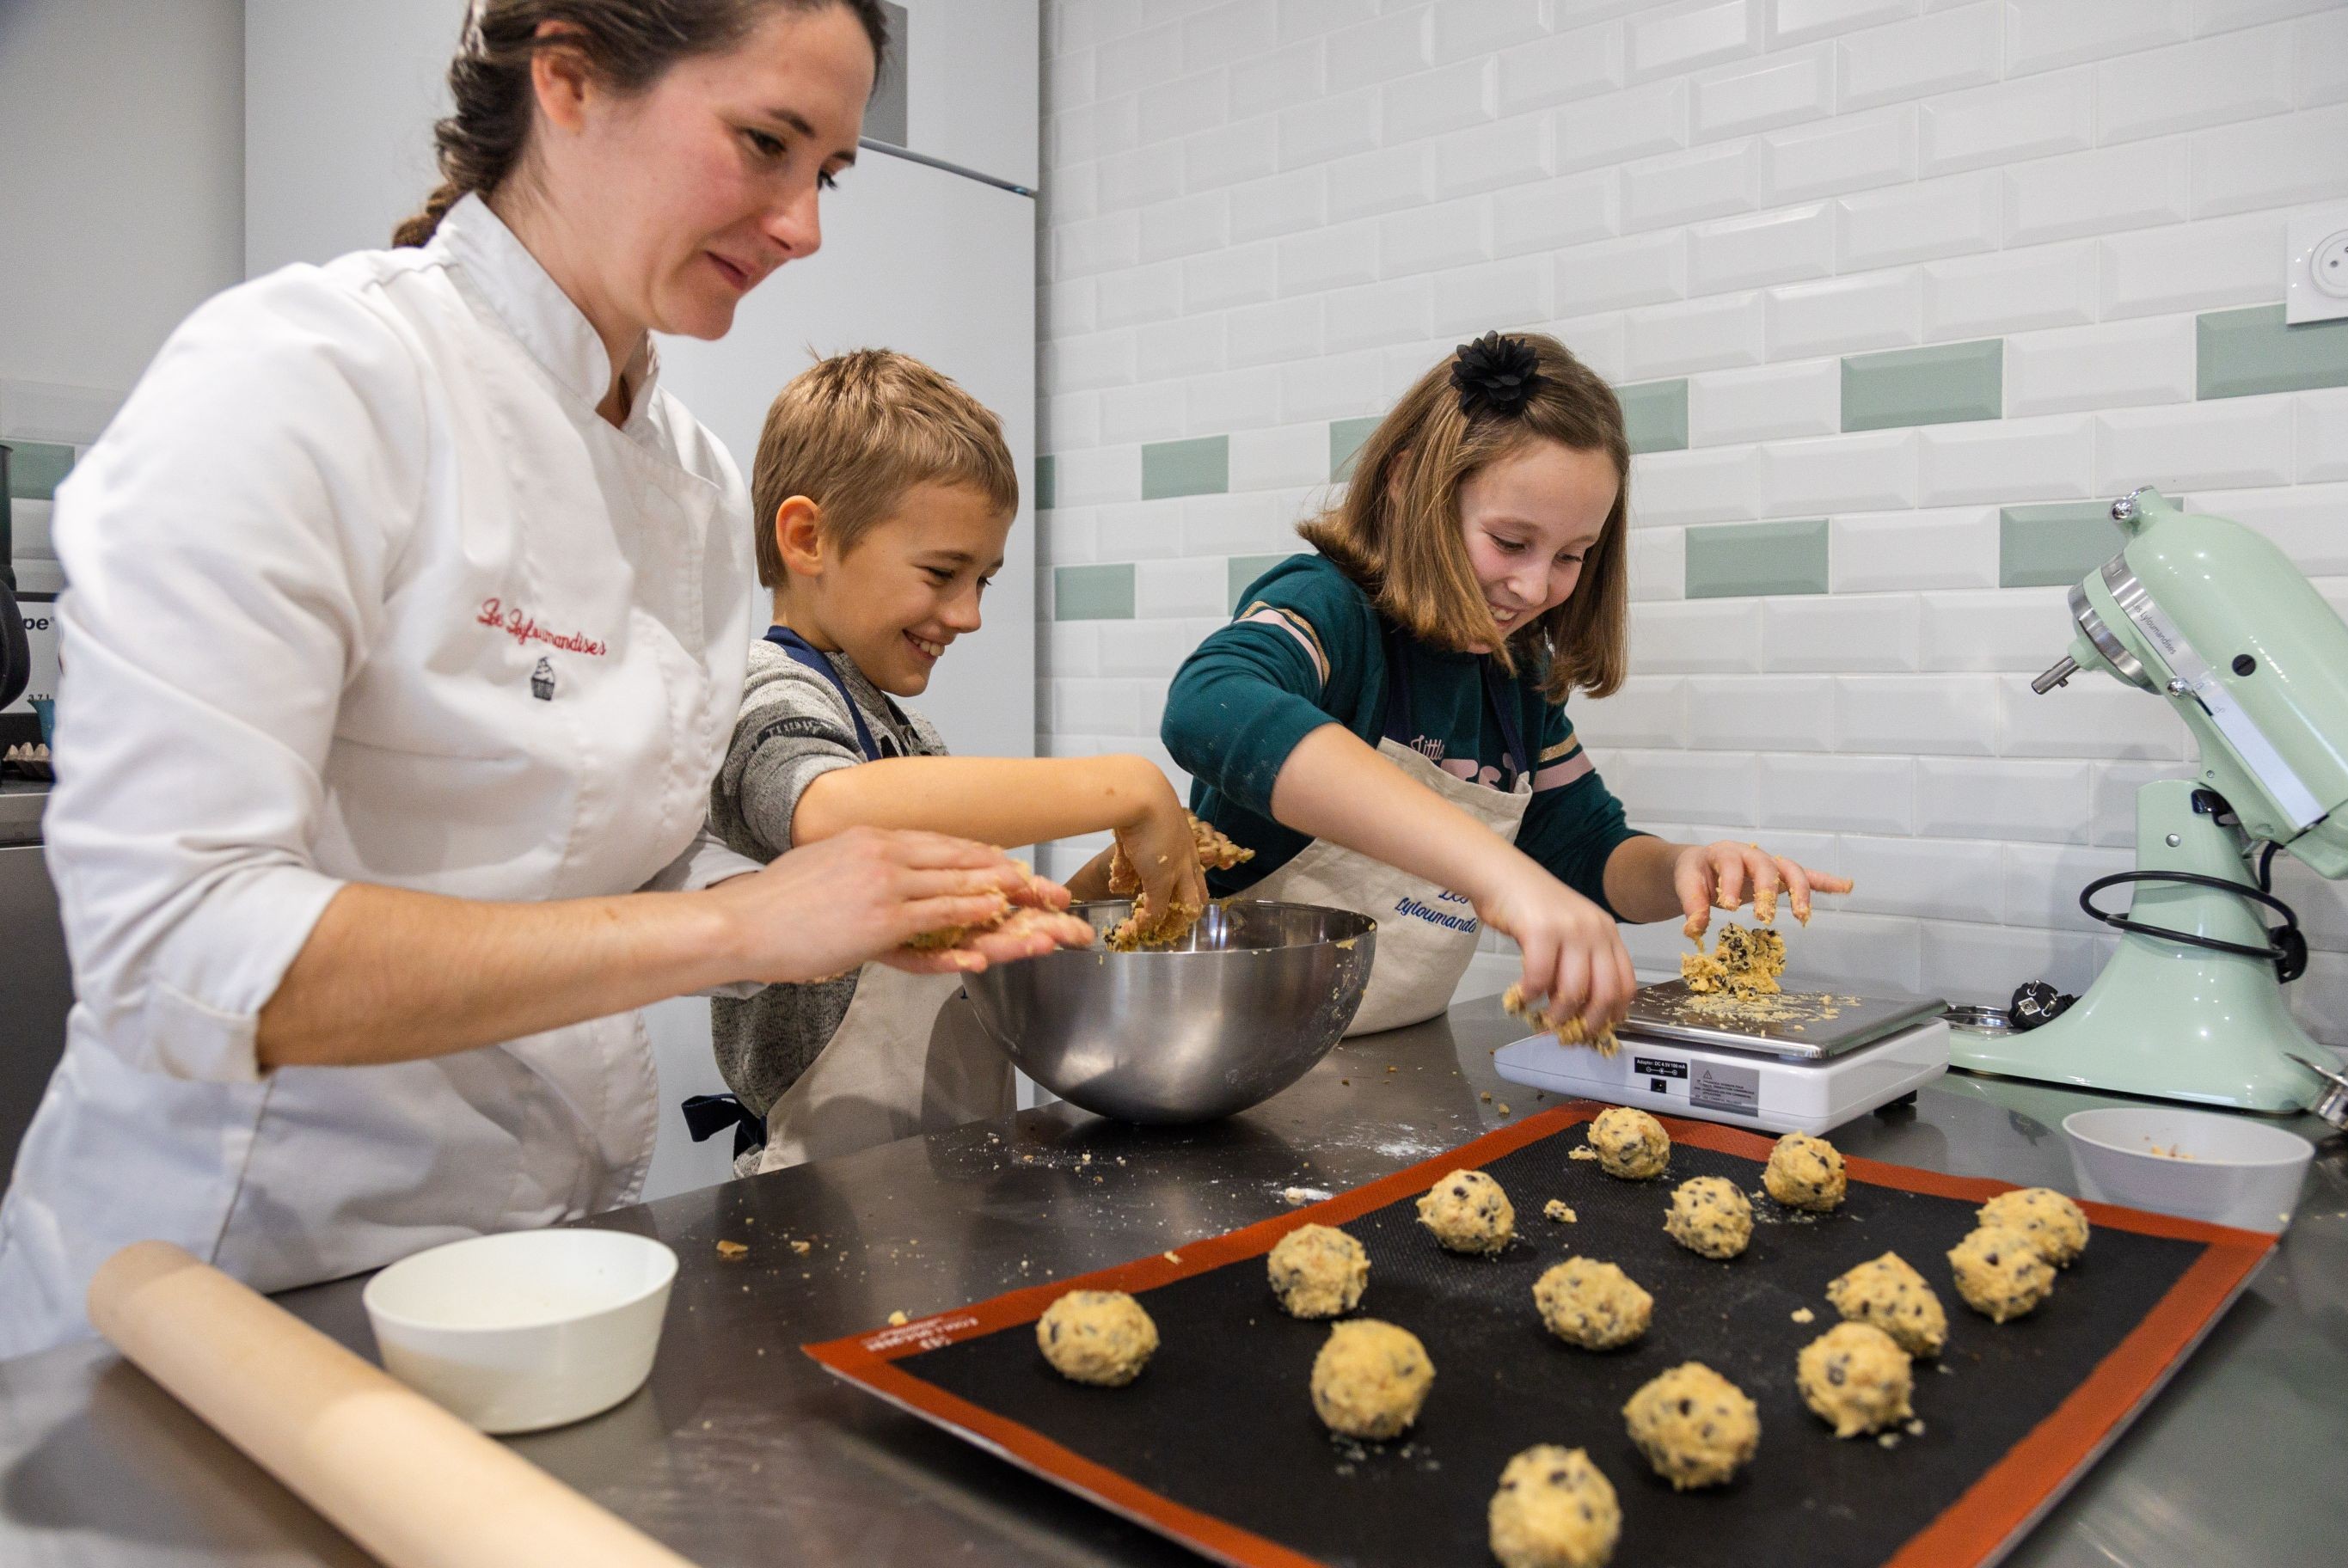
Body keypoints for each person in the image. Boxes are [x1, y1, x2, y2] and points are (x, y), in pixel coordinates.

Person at [0, 0, 1088, 1358]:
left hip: (542, 1277)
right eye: (765, 142)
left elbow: (572, 878)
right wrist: (748, 926)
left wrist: (862, 911)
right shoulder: (307, 378)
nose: (805, 225)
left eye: (830, 172)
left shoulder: (686, 486)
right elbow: (183, 958)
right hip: (236, 1292)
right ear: (567, 78)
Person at [1162, 332, 1852, 1041]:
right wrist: (1502, 879)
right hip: (1236, 1049)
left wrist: (1685, 869)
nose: (1534, 587)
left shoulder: (1515, 675)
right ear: (1406, 486)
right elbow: (1209, 705)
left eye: (1572, 555)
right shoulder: (1331, 611)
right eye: (1512, 542)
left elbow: (1586, 851)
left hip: (1395, 1059)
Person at [702, 348, 1205, 1172]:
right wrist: (1127, 789)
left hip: (948, 1154)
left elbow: (970, 930)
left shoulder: (908, 734)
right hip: (822, 1179)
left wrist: (1092, 890)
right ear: (808, 537)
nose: (968, 615)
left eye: (985, 581)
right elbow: (825, 812)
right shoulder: (765, 693)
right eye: (942, 573)